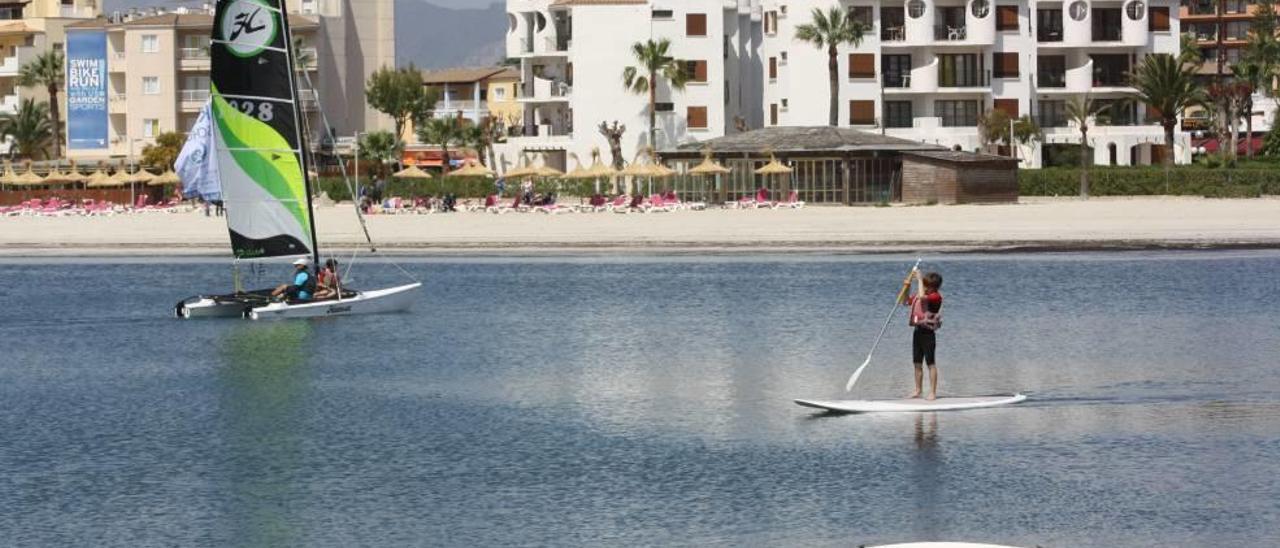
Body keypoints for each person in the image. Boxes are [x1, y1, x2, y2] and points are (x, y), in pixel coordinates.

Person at [906, 270, 944, 400]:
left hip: (928, 334)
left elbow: (923, 297)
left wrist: (920, 279)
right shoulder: (922, 293)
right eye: (925, 285)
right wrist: (907, 285)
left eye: (927, 285)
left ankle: (932, 392)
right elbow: (905, 301)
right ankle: (918, 390)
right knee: (917, 363)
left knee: (930, 363)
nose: (925, 287)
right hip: (917, 332)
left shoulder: (935, 296)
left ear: (934, 287)